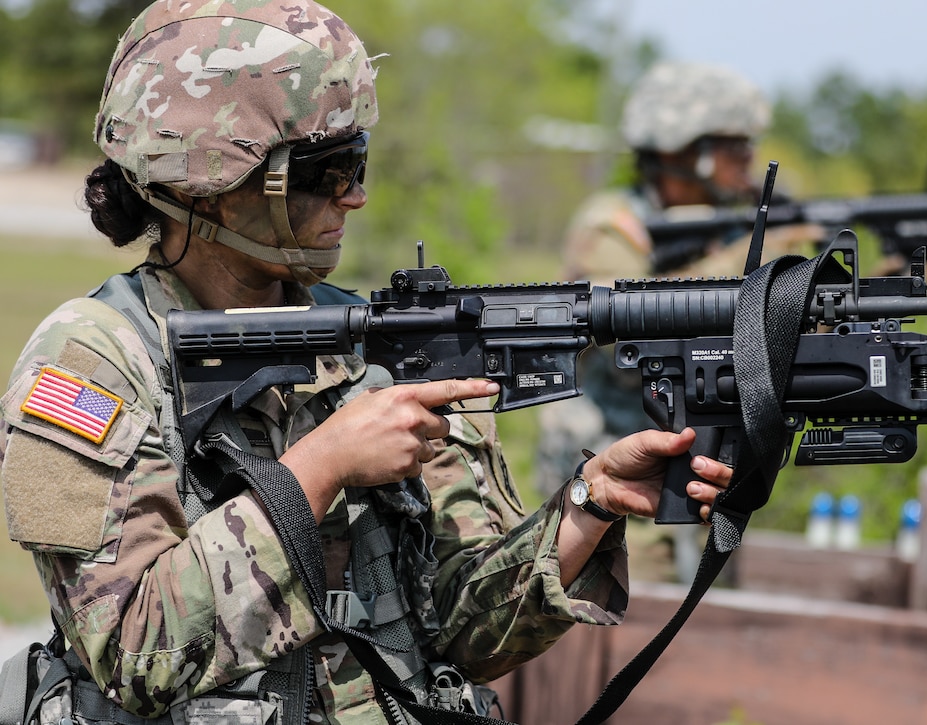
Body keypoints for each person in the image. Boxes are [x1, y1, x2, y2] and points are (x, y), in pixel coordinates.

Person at [0, 3, 733, 723]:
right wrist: (321, 469)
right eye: (325, 170)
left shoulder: (374, 346)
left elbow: (464, 632)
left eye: (358, 161)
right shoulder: (91, 363)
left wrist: (590, 504)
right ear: (211, 190)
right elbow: (134, 651)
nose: (356, 195)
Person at [536, 60, 823, 582]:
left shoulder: (726, 226)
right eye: (736, 148)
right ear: (685, 150)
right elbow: (628, 327)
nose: (749, 162)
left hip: (702, 471)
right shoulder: (613, 225)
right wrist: (752, 264)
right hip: (609, 483)